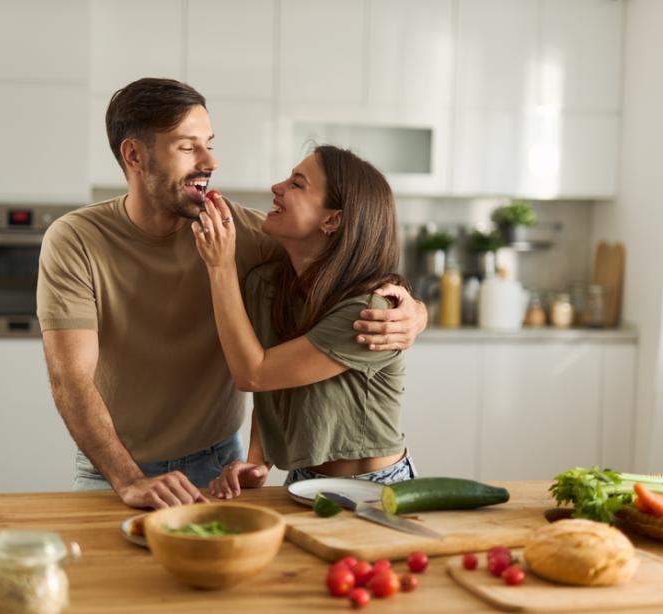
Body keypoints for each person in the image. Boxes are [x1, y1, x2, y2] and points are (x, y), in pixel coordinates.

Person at [36, 78, 427, 509]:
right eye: (188, 147)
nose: (211, 161)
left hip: (216, 465)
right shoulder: (76, 240)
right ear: (134, 155)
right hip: (112, 469)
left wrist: (413, 309)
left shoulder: (241, 232)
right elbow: (69, 378)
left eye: (210, 143)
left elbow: (346, 259)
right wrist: (128, 480)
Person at [194, 146, 415, 498]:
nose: (276, 187)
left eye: (297, 184)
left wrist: (220, 267)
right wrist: (258, 460)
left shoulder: (370, 311)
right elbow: (275, 383)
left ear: (333, 220)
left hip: (374, 489)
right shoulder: (266, 286)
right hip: (301, 480)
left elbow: (255, 373)